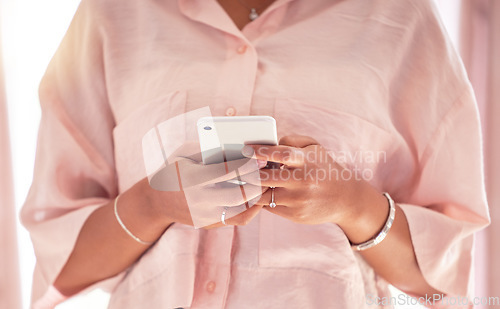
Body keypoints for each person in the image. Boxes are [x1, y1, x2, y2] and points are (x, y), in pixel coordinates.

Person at [22, 0, 490, 308]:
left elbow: (445, 284)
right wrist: (154, 202)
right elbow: (61, 263)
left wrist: (353, 204)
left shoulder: (400, 18)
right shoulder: (112, 14)